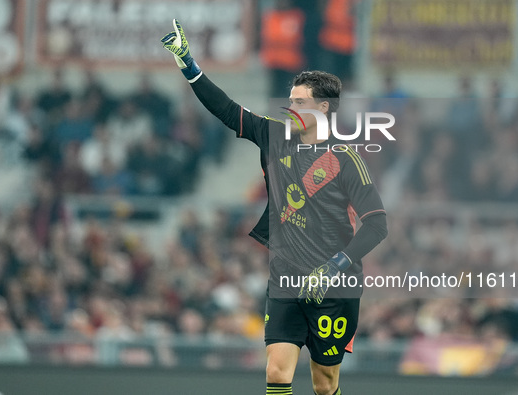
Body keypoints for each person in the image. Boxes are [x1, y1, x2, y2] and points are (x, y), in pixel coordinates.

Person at [161, 20, 388, 395]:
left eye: (300, 103)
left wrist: (335, 266)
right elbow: (227, 110)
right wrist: (188, 64)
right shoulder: (274, 136)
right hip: (286, 280)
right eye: (291, 101)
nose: (291, 108)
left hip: (334, 288)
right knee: (277, 373)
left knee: (324, 384)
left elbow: (377, 225)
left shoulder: (345, 160)